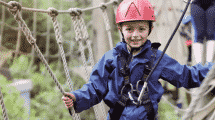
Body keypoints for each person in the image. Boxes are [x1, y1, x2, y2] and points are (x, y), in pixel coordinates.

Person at [62, 0, 215, 119]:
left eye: (141, 29)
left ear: (150, 29)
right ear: (120, 29)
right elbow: (95, 88)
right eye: (129, 29)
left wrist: (212, 69)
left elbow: (185, 75)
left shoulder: (157, 59)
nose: (135, 34)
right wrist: (76, 98)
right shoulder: (110, 59)